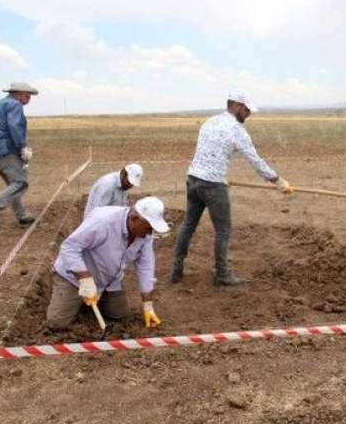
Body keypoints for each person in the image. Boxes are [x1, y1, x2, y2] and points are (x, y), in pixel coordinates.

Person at [171, 88, 292, 287]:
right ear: (236, 106)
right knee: (223, 229)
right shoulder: (237, 130)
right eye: (246, 110)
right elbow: (255, 160)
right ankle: (222, 274)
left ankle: (176, 270)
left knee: (188, 225)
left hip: (193, 179)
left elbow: (209, 153)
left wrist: (219, 176)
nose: (249, 114)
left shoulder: (210, 121)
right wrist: (277, 181)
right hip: (212, 185)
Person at [46, 196, 170, 330]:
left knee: (119, 313)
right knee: (57, 323)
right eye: (149, 227)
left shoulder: (144, 234)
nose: (150, 233)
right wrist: (85, 279)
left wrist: (148, 305)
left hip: (109, 280)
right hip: (74, 277)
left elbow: (146, 266)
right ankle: (75, 297)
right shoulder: (103, 221)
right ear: (134, 219)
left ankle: (93, 297)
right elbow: (69, 247)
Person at [0, 82, 38, 229]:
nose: (29, 99)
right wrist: (22, 147)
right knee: (20, 183)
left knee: (13, 184)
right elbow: (15, 126)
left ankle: (22, 216)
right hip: (7, 150)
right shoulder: (14, 105)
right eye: (28, 96)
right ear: (20, 94)